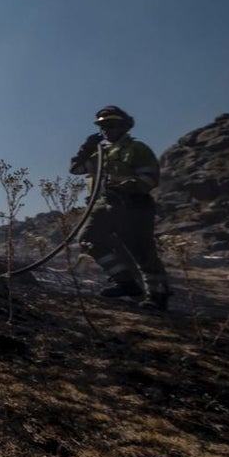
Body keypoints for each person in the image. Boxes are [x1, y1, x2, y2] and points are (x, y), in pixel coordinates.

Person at [69, 105, 170, 310]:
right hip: (103, 205)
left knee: (141, 251)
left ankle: (158, 296)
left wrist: (128, 187)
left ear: (124, 126)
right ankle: (125, 283)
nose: (107, 130)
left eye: (112, 125)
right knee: (88, 239)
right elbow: (76, 169)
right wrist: (86, 148)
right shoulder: (100, 154)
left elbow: (150, 177)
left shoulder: (137, 149)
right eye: (103, 126)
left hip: (133, 206)